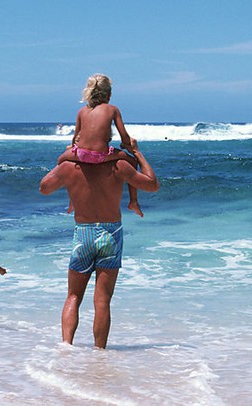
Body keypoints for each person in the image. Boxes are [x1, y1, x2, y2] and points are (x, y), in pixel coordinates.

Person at [39, 140, 159, 349]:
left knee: (73, 295)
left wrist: (66, 156)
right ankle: (99, 352)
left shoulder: (69, 167)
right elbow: (152, 184)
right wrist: (137, 153)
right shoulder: (118, 165)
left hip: (83, 233)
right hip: (110, 233)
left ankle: (66, 347)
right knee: (102, 300)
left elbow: (44, 188)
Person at [57, 73, 144, 217]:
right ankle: (133, 201)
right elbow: (124, 137)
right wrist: (127, 146)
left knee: (61, 161)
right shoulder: (113, 109)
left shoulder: (81, 111)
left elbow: (75, 138)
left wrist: (73, 149)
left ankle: (72, 200)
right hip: (102, 155)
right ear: (109, 95)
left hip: (81, 154)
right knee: (132, 161)